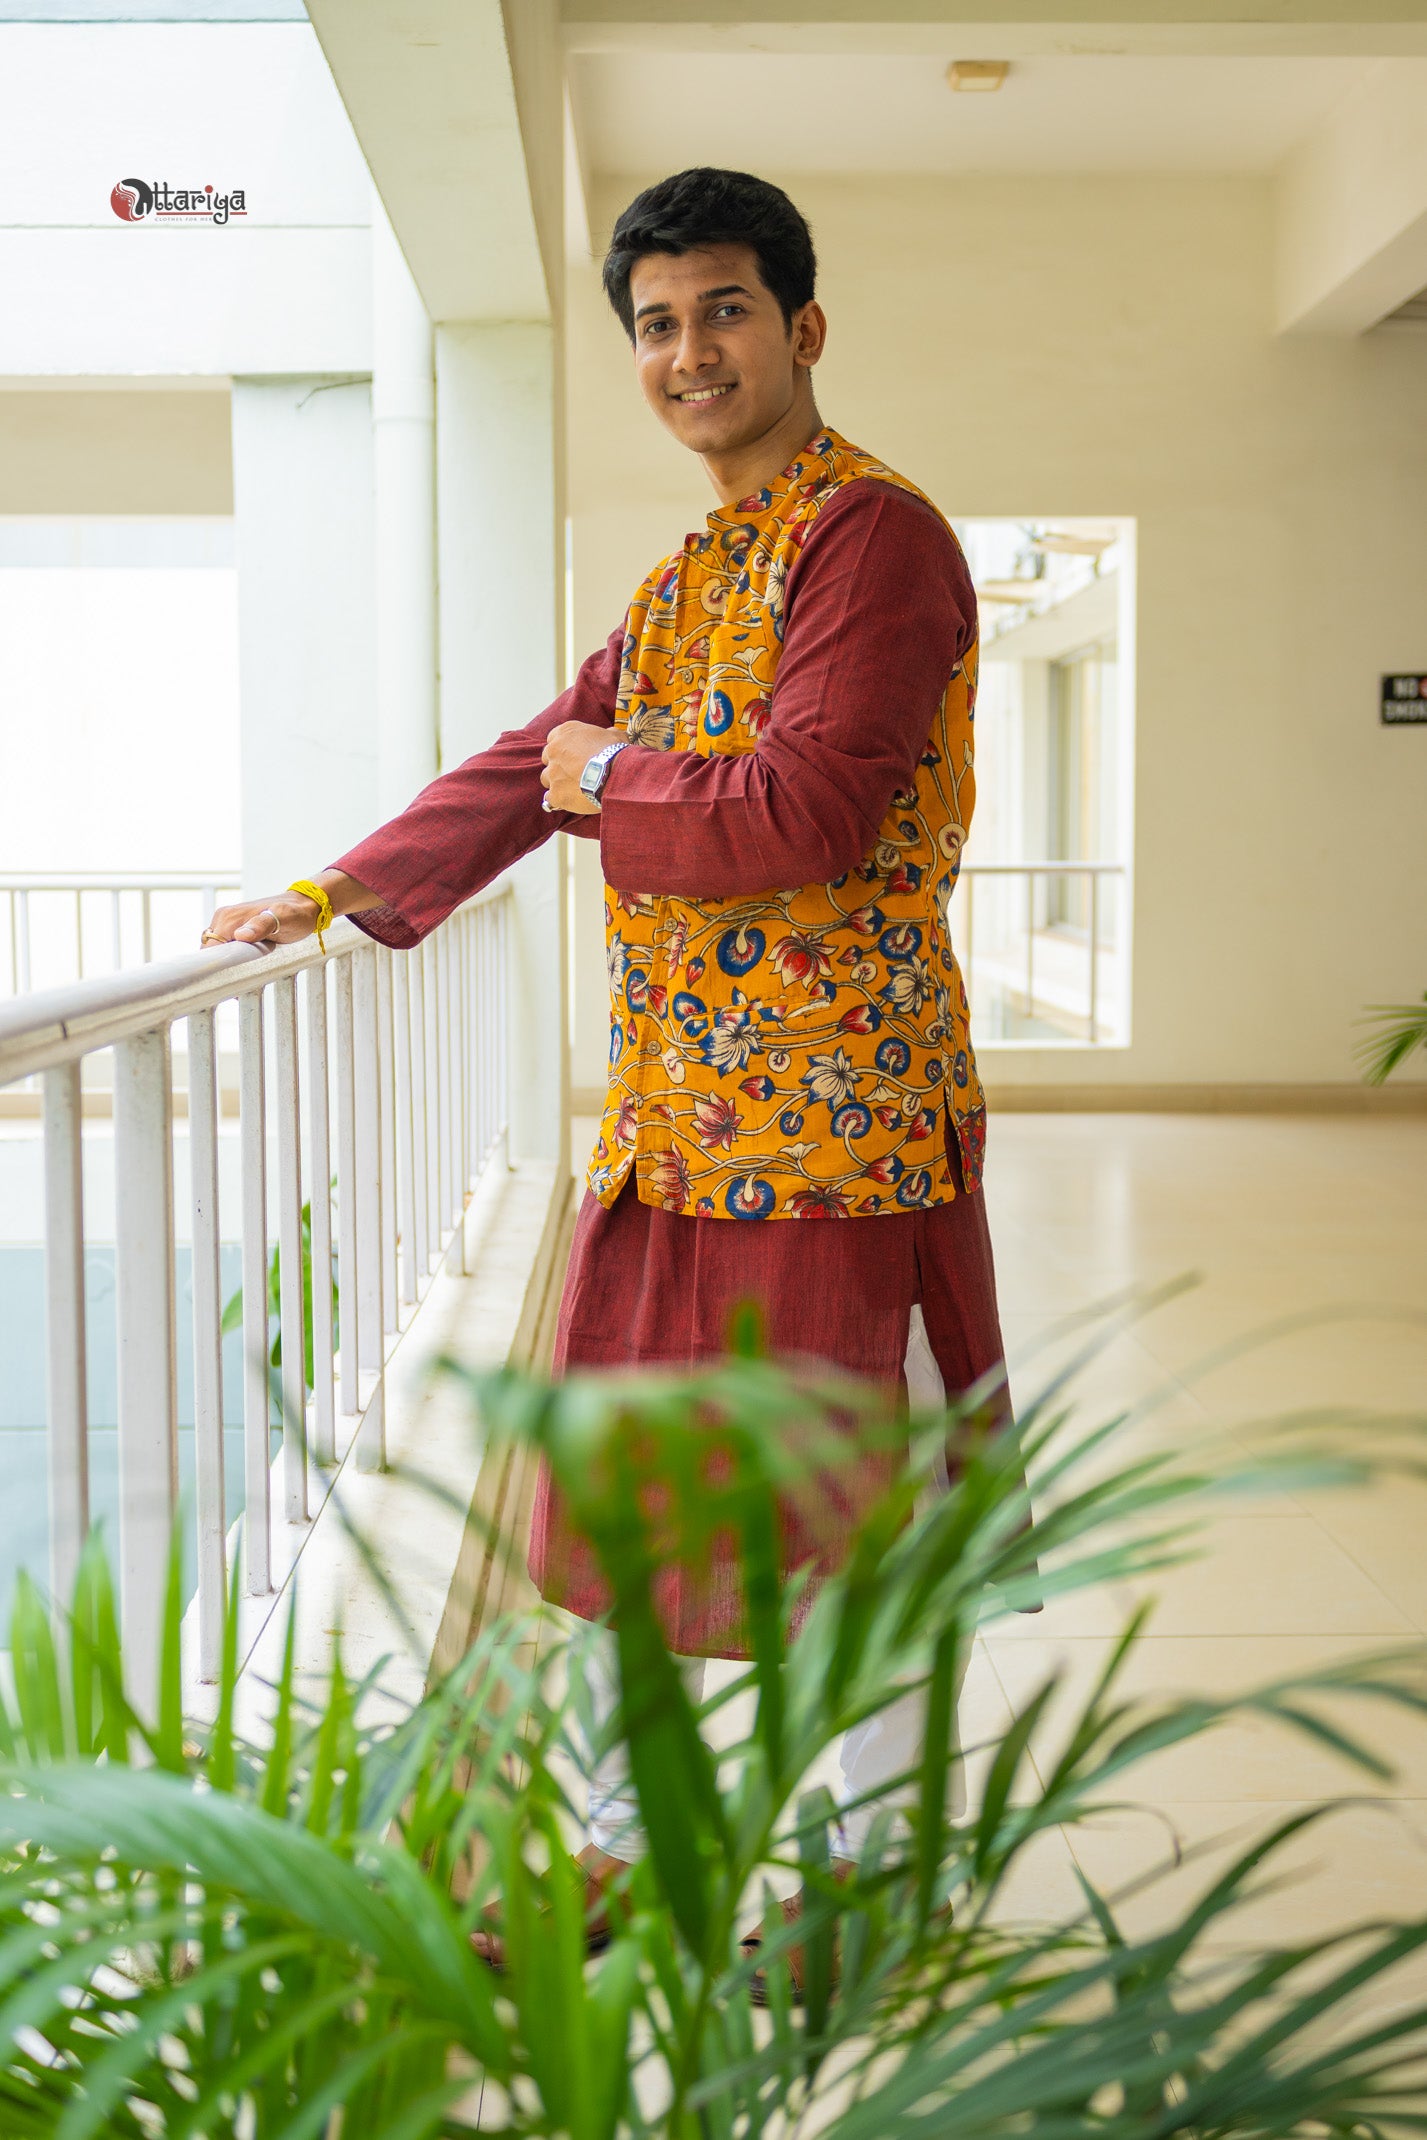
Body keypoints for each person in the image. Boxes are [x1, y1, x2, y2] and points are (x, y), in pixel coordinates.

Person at [205, 166, 1011, 1971]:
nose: (688, 350)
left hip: (835, 1130)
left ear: (801, 329)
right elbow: (528, 754)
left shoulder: (871, 538)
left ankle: (875, 1901)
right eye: (656, 323)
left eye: (723, 311)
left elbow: (802, 809)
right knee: (642, 1510)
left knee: (847, 1521)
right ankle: (626, 1858)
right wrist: (341, 886)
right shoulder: (690, 576)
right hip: (677, 1125)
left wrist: (603, 778)